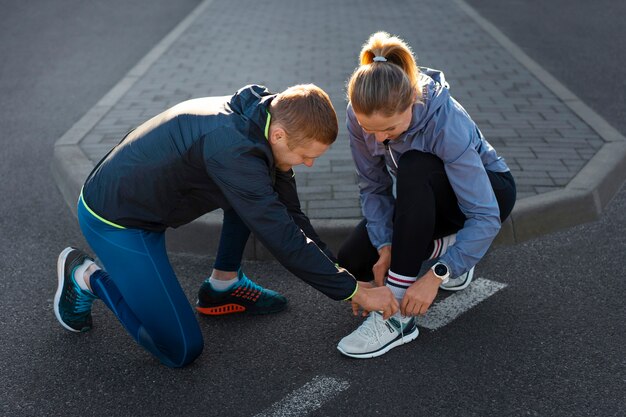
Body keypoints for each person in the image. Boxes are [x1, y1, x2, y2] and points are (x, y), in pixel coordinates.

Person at [54, 83, 399, 368]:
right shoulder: (234, 151)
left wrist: (344, 277)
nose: (308, 164)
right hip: (116, 219)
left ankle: (223, 286)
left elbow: (291, 217)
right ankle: (85, 276)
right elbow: (282, 237)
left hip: (143, 199)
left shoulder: (265, 119)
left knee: (257, 199)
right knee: (180, 349)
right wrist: (352, 292)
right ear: (279, 135)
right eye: (306, 155)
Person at [336, 32, 516, 358]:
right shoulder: (359, 116)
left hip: (487, 195)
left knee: (415, 165)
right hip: (428, 200)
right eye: (368, 129)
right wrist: (385, 246)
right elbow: (373, 188)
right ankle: (450, 246)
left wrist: (435, 276)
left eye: (387, 130)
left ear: (411, 105)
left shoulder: (445, 123)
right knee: (353, 259)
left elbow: (485, 215)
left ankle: (399, 321)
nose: (376, 138)